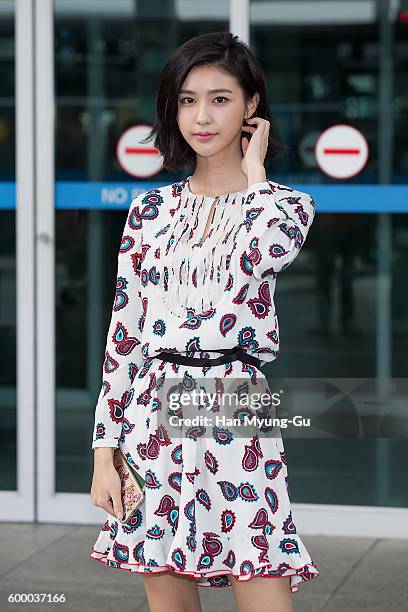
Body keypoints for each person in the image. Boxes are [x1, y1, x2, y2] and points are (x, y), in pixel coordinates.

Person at [89, 31, 320, 612]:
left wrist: (255, 172)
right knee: (168, 600)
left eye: (220, 98)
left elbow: (269, 249)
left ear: (252, 108)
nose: (202, 115)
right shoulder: (150, 210)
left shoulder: (284, 205)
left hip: (235, 403)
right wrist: (103, 452)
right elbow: (124, 336)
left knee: (264, 584)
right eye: (187, 99)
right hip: (150, 414)